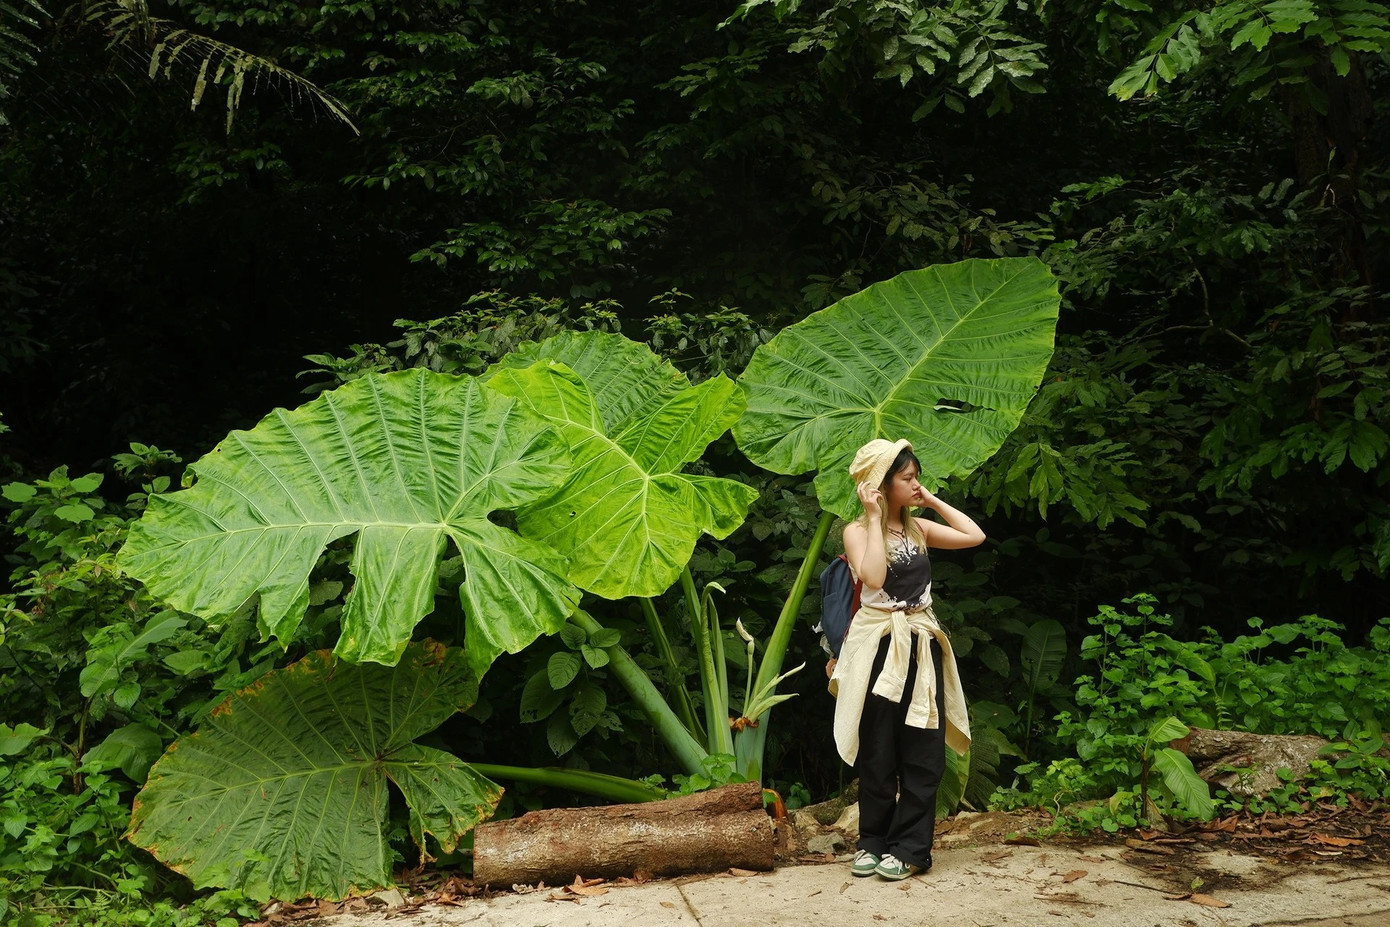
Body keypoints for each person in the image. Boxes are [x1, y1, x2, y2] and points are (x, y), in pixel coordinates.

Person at [828, 438, 984, 880]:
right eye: (908, 478)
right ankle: (872, 842)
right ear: (880, 485)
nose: (916, 484)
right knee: (878, 751)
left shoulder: (919, 529)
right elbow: (874, 576)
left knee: (923, 750)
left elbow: (974, 536)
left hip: (920, 643)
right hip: (878, 647)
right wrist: (876, 517)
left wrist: (930, 500)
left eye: (917, 477)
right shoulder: (857, 531)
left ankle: (911, 848)